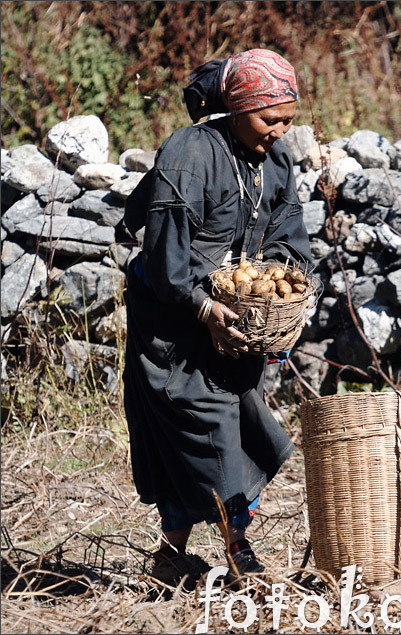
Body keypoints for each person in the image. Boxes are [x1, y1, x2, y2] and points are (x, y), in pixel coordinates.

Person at [119, 48, 312, 587]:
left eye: (287, 121)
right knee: (210, 429)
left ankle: (168, 557)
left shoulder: (275, 162)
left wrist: (283, 294)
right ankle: (239, 550)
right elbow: (164, 255)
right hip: (171, 328)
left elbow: (287, 234)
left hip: (235, 327)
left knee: (216, 436)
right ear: (236, 107)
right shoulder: (191, 151)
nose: (278, 131)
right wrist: (202, 306)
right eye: (269, 119)